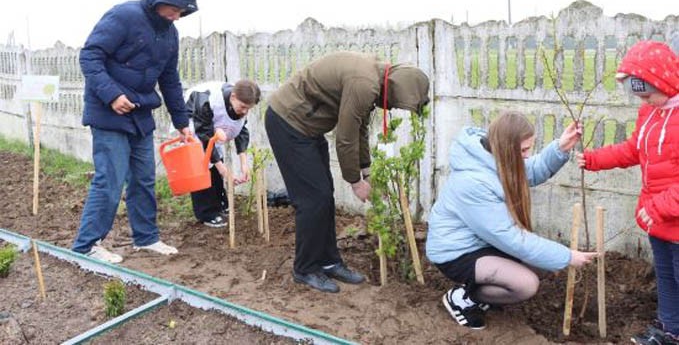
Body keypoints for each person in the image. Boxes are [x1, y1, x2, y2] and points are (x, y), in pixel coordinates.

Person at [265, 51, 430, 293]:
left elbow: (359, 127)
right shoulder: (364, 83)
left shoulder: (373, 79)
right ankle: (305, 268)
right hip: (288, 122)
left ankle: (329, 261)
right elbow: (345, 137)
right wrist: (355, 181)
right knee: (313, 200)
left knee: (324, 195)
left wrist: (367, 170)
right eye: (395, 104)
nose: (392, 108)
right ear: (393, 91)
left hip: (307, 129)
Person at [426, 111, 597, 330]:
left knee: (541, 264)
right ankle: (463, 297)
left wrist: (560, 148)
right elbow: (511, 238)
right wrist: (567, 256)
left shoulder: (494, 157)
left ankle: (485, 289)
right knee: (526, 284)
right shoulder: (473, 183)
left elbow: (530, 171)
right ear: (506, 148)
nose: (527, 155)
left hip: (482, 243)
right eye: (524, 150)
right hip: (456, 252)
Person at [72, 0, 198, 264]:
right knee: (110, 179)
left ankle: (146, 238)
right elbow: (90, 56)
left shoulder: (170, 33)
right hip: (108, 111)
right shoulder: (124, 16)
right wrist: (112, 95)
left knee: (143, 179)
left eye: (182, 12)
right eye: (175, 9)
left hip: (140, 114)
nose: (177, 16)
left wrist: (182, 122)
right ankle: (86, 245)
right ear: (162, 0)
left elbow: (169, 79)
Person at [577, 40, 679, 345]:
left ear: (665, 81)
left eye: (648, 93)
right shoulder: (650, 112)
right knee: (665, 278)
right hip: (657, 220)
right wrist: (595, 160)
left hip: (669, 214)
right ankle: (670, 330)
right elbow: (634, 149)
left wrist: (660, 207)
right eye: (640, 95)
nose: (645, 100)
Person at [184, 79, 261, 227]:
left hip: (210, 125)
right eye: (243, 107)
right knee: (202, 163)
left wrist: (244, 165)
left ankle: (219, 204)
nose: (245, 111)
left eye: (248, 109)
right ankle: (206, 212)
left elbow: (240, 131)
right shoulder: (207, 100)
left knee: (215, 160)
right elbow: (205, 137)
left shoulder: (240, 104)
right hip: (192, 123)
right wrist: (224, 172)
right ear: (233, 97)